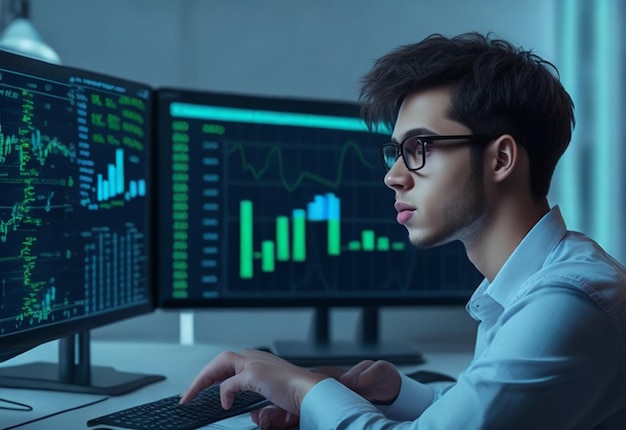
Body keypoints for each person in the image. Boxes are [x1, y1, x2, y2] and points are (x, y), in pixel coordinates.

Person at [180, 32, 626, 429]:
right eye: (395, 151)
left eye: (419, 148)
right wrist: (396, 393)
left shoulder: (566, 302)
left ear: (501, 159)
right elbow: (485, 413)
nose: (393, 176)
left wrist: (302, 389)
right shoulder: (527, 286)